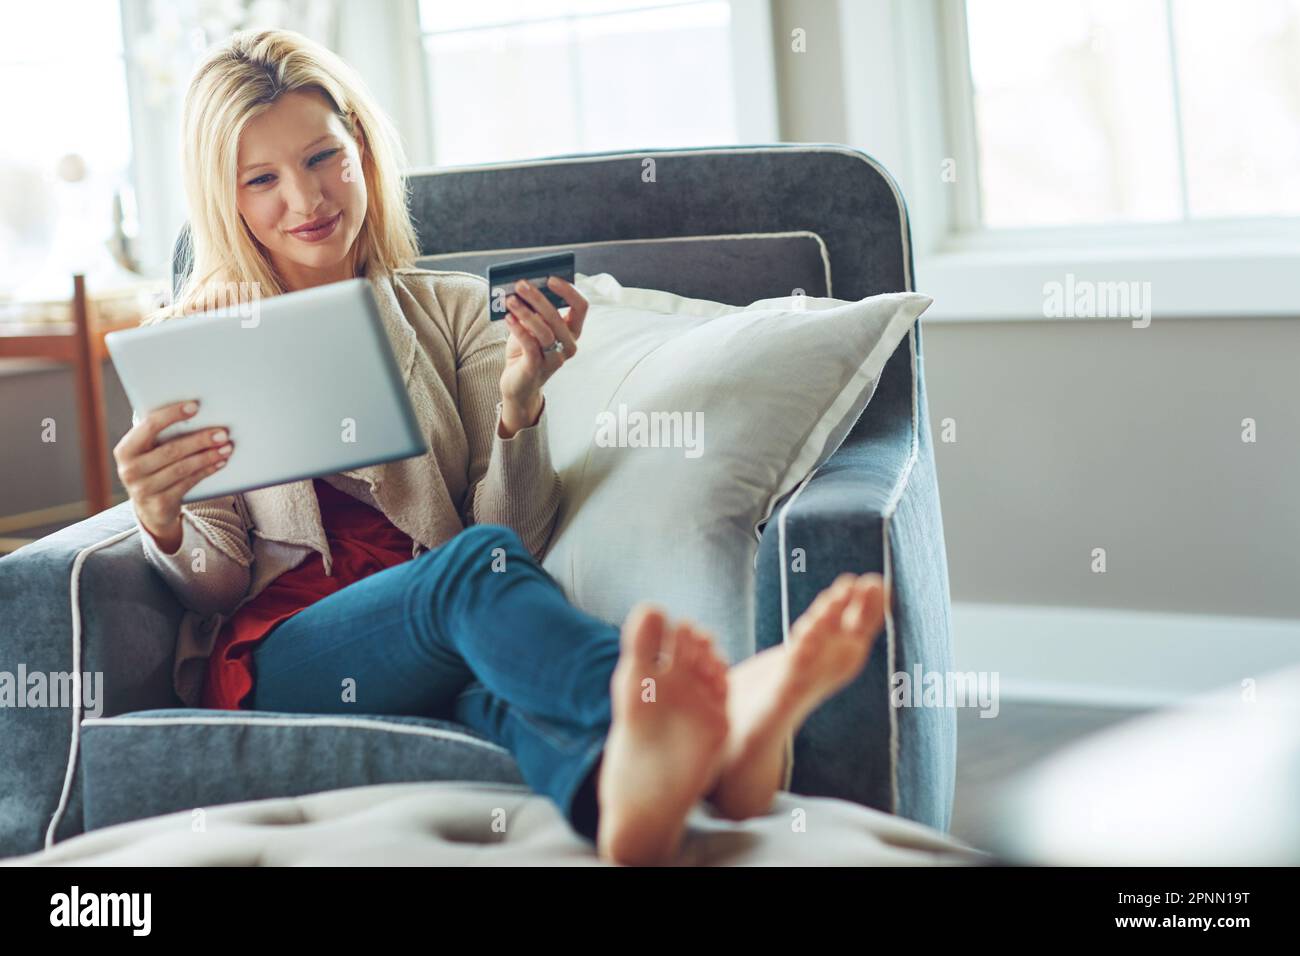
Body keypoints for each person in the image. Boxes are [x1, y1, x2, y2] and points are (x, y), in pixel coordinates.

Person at [112, 28, 887, 866]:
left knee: (505, 696)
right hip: (290, 653)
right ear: (225, 198)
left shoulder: (451, 310)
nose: (306, 199)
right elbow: (216, 584)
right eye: (262, 179)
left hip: (445, 636)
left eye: (324, 158)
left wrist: (520, 408)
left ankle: (640, 795)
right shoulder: (200, 339)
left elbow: (518, 536)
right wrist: (159, 516)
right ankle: (709, 710)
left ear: (362, 151)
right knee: (468, 571)